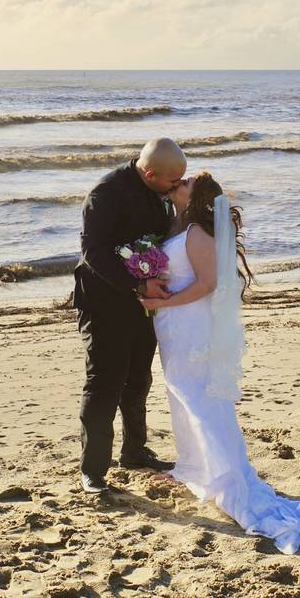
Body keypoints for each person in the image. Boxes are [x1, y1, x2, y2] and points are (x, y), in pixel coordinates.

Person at [140, 171, 300, 554]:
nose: (179, 182)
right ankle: (195, 466)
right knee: (182, 395)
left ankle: (225, 477)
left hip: (190, 324)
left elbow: (207, 285)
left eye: (185, 182)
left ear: (195, 198)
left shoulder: (195, 234)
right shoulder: (176, 225)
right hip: (175, 327)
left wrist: (162, 302)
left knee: (201, 400)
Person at [73, 137, 187, 494]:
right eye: (171, 183)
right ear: (150, 172)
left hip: (143, 304)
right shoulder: (105, 194)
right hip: (104, 302)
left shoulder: (160, 192)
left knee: (138, 381)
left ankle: (135, 452)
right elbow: (93, 252)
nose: (175, 188)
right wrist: (138, 286)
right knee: (105, 383)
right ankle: (92, 470)